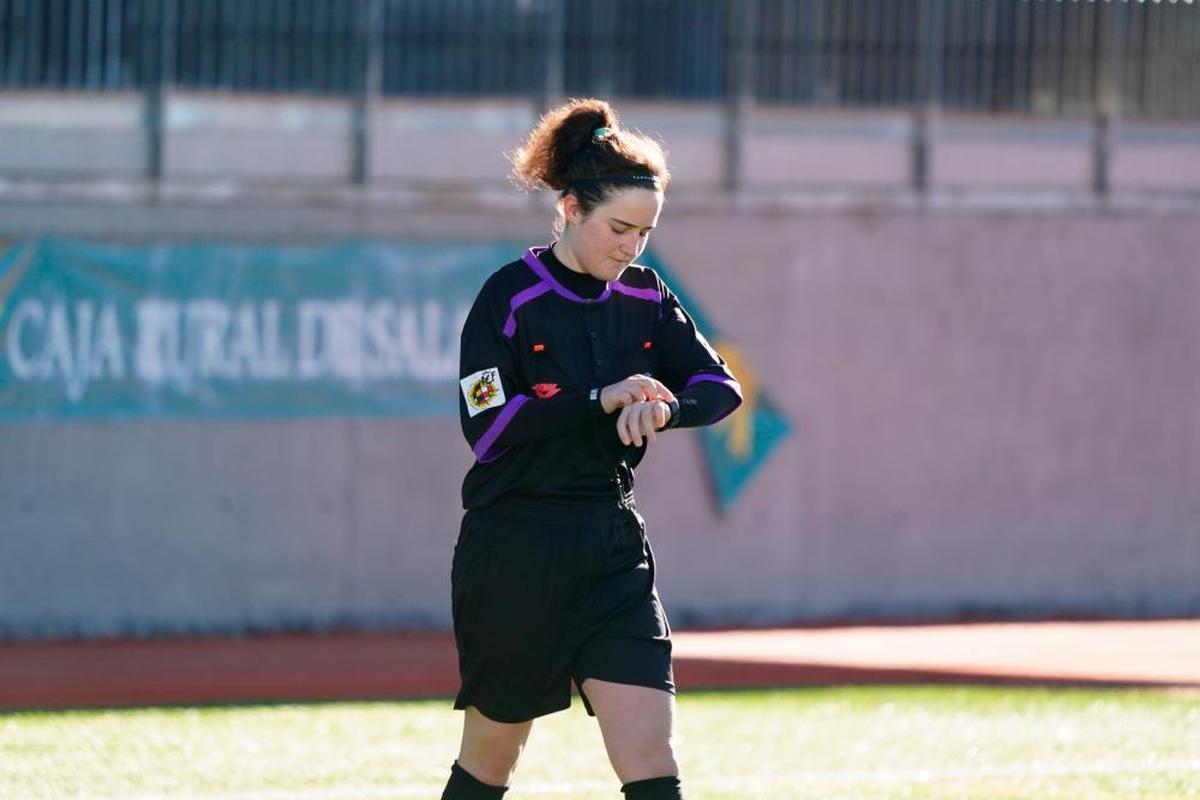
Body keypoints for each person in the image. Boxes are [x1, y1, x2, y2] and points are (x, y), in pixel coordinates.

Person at [444, 98, 743, 800]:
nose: (630, 248)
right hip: (516, 543)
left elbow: (719, 388)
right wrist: (598, 400)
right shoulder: (509, 297)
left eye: (644, 233)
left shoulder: (645, 295)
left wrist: (659, 410)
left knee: (652, 755)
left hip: (612, 547)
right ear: (572, 207)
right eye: (618, 228)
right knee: (491, 760)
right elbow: (486, 428)